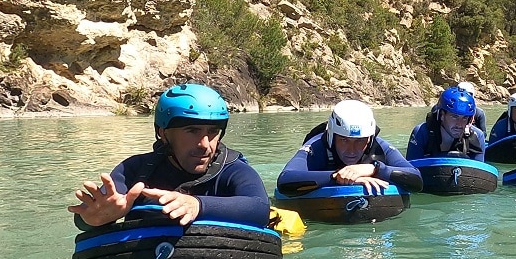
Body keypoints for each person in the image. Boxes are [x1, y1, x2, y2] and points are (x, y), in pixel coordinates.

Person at [70, 83, 270, 229]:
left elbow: (260, 208)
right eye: (192, 131)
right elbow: (88, 214)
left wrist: (197, 205)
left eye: (213, 132)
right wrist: (94, 219)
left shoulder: (233, 169)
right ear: (163, 133)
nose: (205, 144)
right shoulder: (135, 169)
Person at [277, 99, 423, 195]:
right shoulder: (316, 147)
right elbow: (285, 180)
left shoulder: (379, 145)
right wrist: (338, 177)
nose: (351, 151)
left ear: (369, 139)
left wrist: (376, 169)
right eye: (344, 140)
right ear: (332, 136)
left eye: (360, 141)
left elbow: (416, 179)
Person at [406, 86, 486, 161]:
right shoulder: (421, 133)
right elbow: (411, 168)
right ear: (442, 115)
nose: (459, 124)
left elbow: (479, 169)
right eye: (454, 116)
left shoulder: (477, 136)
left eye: (464, 118)